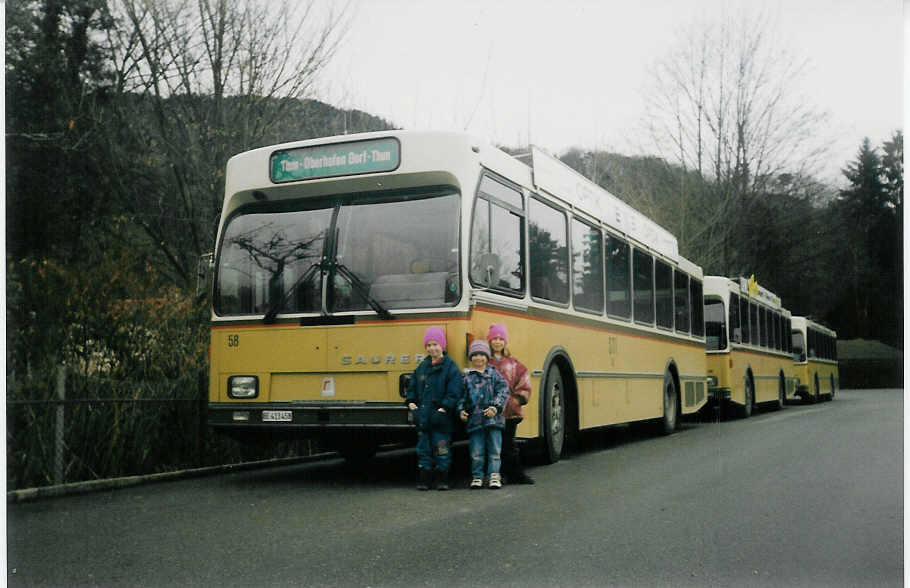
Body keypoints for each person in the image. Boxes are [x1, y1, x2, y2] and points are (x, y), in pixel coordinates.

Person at [406, 326, 462, 490]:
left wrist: (444, 409)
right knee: (423, 448)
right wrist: (411, 403)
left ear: (442, 346)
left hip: (441, 420)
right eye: (429, 345)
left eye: (435, 344)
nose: (432, 348)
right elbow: (412, 387)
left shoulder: (450, 367)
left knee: (442, 448)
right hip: (423, 418)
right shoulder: (422, 367)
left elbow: (454, 391)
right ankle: (424, 478)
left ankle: (442, 478)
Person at [487, 323, 535, 485]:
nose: (498, 342)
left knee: (509, 444)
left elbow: (524, 382)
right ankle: (498, 474)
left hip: (510, 412)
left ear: (505, 342)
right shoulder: (486, 364)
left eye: (501, 339)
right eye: (494, 339)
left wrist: (517, 399)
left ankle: (516, 474)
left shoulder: (514, 364)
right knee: (495, 445)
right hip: (492, 412)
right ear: (490, 342)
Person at [459, 339, 509, 489]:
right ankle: (477, 476)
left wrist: (495, 407)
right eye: (474, 355)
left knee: (494, 450)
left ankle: (494, 475)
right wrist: (460, 409)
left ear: (487, 357)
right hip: (474, 420)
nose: (478, 358)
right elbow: (461, 396)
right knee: (476, 451)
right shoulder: (466, 378)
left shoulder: (494, 374)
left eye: (482, 355)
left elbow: (503, 391)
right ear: (470, 358)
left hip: (494, 420)